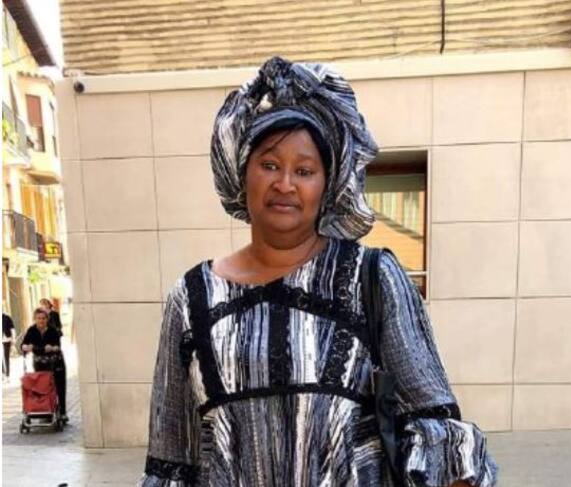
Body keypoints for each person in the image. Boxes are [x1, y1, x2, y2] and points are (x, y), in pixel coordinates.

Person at [139, 57, 497, 487]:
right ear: (241, 172)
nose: (285, 184)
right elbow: (171, 453)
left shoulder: (371, 278)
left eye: (305, 171)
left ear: (327, 185)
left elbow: (432, 421)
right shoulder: (192, 296)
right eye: (269, 165)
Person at [22, 308, 67, 423]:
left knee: (59, 386)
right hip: (40, 364)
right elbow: (23, 344)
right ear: (35, 319)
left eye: (43, 318)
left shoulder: (53, 330)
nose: (41, 320)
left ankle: (62, 412)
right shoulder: (31, 330)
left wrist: (52, 348)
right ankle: (46, 411)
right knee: (42, 387)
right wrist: (26, 347)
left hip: (55, 363)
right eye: (39, 318)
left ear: (47, 319)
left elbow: (58, 346)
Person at [2, 310, 15, 381]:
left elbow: (12, 329)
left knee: (6, 358)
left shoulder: (7, 317)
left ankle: (7, 375)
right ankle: (2, 374)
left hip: (7, 340)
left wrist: (13, 339)